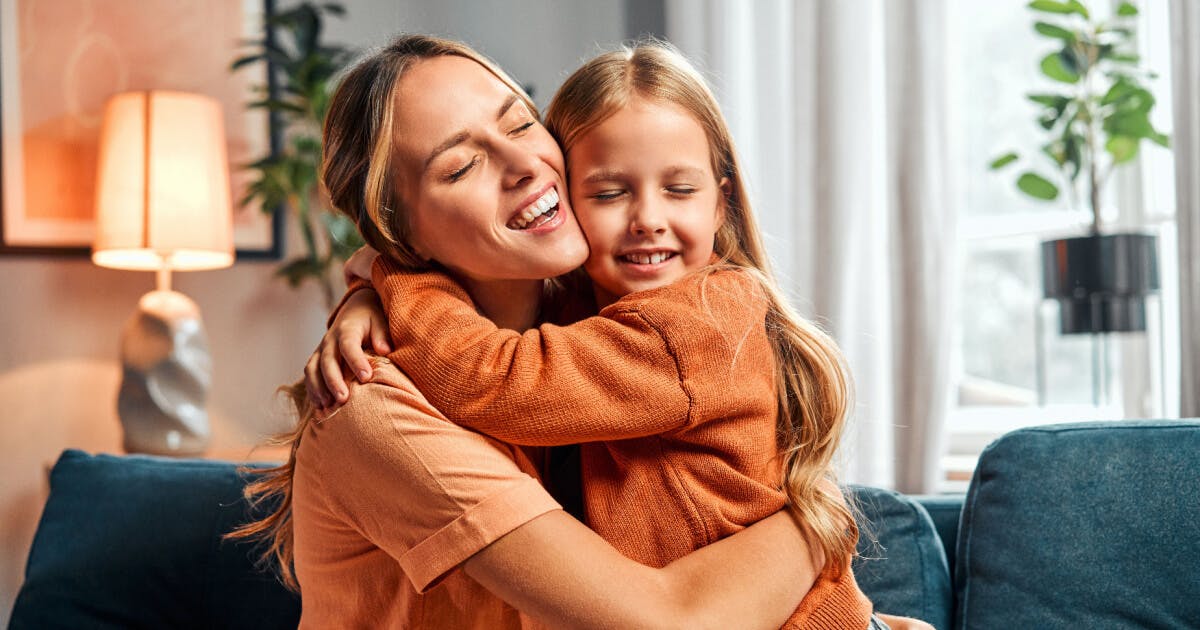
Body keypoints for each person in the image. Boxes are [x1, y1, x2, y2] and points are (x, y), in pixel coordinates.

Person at [315, 41, 931, 630]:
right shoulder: (377, 400)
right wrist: (377, 281)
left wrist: (386, 279)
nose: (524, 165)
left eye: (521, 124)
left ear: (721, 203)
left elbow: (499, 374)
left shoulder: (672, 320)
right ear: (401, 232)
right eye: (462, 165)